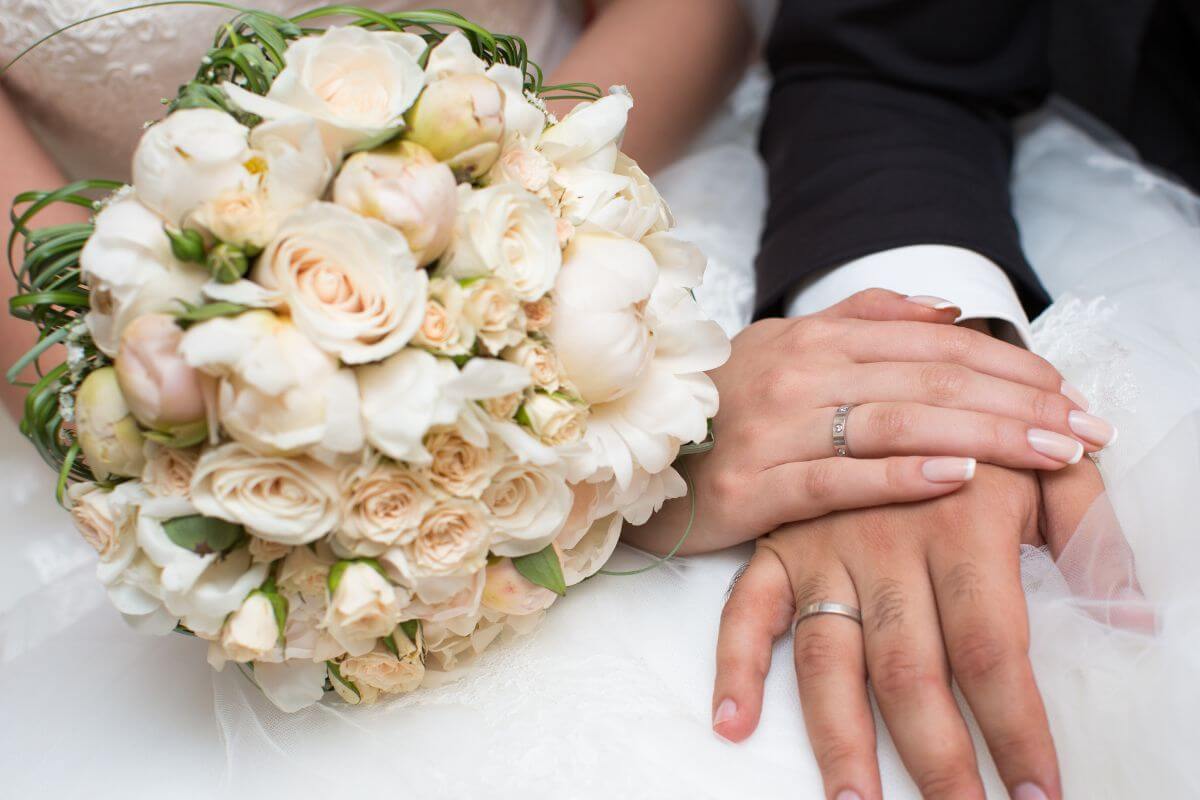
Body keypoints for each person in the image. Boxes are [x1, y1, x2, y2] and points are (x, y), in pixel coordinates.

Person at [0, 2, 1196, 798]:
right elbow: (62, 342)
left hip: (598, 204)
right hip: (130, 374)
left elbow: (692, 10)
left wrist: (526, 297)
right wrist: (526, 452)